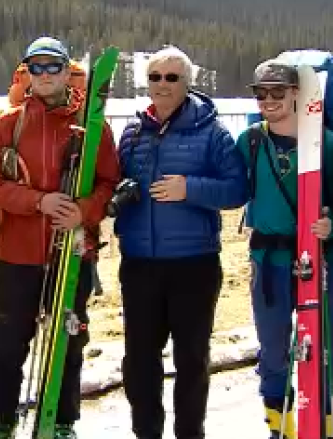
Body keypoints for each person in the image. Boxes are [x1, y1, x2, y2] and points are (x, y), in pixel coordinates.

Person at [0, 36, 120, 439]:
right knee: (7, 339)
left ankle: (61, 420)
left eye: (52, 66)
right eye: (35, 67)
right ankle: (2, 417)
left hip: (72, 251)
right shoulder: (8, 124)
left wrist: (83, 210)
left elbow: (109, 182)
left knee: (69, 338)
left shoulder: (92, 126)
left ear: (65, 71)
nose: (44, 75)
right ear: (26, 72)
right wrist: (38, 202)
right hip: (18, 251)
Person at [112, 45, 247, 439]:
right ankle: (146, 432)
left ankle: (191, 433)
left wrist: (189, 188)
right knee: (139, 360)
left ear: (188, 83)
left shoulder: (214, 133)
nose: (162, 84)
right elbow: (115, 180)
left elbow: (237, 189)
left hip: (194, 263)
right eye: (154, 77)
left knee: (191, 359)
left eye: (172, 77)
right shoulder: (133, 132)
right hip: (139, 262)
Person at [236, 59, 333, 439]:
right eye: (261, 93)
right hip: (267, 261)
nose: (269, 100)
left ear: (296, 94)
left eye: (278, 92)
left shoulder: (331, 145)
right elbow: (232, 188)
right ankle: (280, 426)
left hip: (317, 260)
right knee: (272, 348)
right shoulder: (250, 141)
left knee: (326, 344)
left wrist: (331, 224)